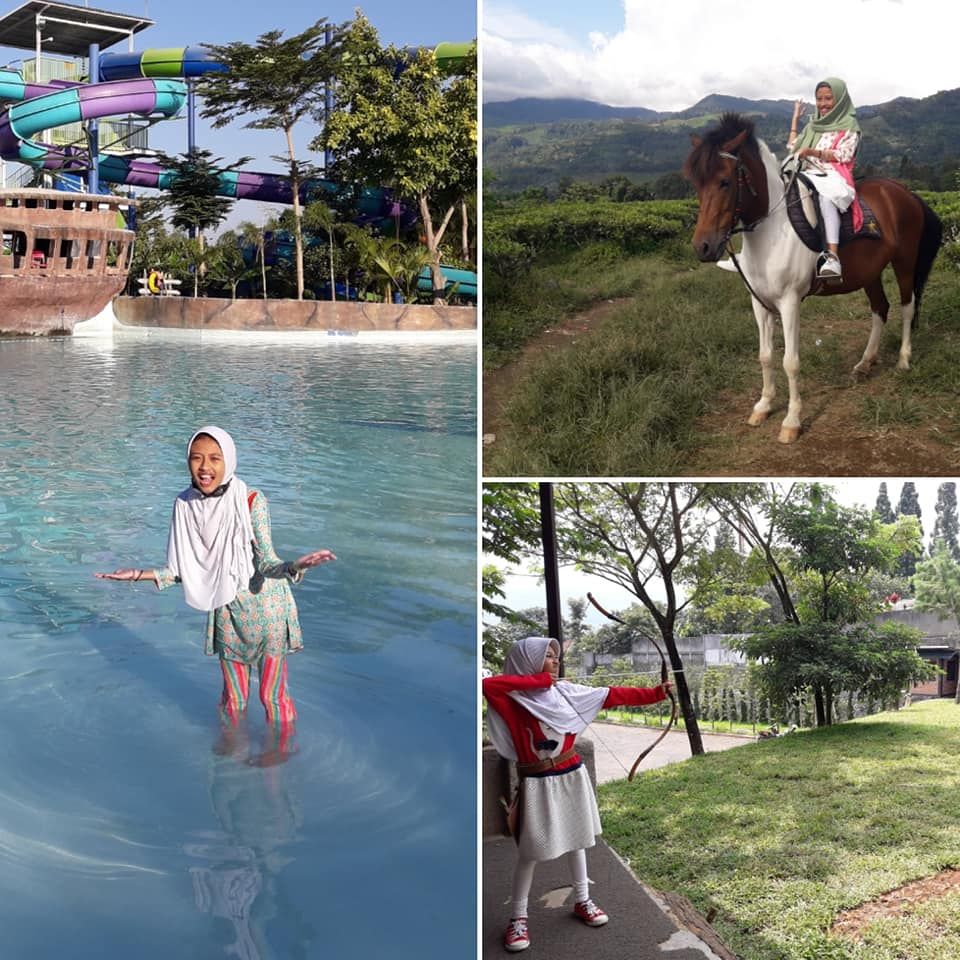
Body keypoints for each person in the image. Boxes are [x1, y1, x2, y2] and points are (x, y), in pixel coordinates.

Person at [95, 426, 336, 730]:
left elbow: (266, 563)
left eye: (214, 458)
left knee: (271, 696)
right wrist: (138, 575)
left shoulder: (250, 500)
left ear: (229, 461)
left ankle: (279, 763)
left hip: (268, 613)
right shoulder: (185, 506)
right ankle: (229, 759)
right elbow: (187, 570)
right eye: (197, 458)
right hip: (226, 611)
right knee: (233, 699)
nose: (205, 467)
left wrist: (293, 567)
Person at [483, 636, 673, 953]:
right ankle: (518, 918)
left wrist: (656, 694)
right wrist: (539, 681)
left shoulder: (566, 694)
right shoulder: (514, 698)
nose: (556, 661)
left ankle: (583, 899)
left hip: (571, 774)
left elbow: (613, 695)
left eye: (556, 656)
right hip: (538, 781)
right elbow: (488, 685)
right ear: (528, 663)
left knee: (578, 838)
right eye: (547, 656)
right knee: (531, 851)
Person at [788, 77, 862, 279]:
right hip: (806, 172)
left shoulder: (848, 124)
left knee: (826, 199)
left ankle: (832, 258)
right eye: (819, 99)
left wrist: (813, 152)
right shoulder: (813, 125)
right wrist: (795, 120)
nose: (823, 104)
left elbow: (844, 154)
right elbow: (792, 148)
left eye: (828, 98)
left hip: (832, 175)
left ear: (839, 100)